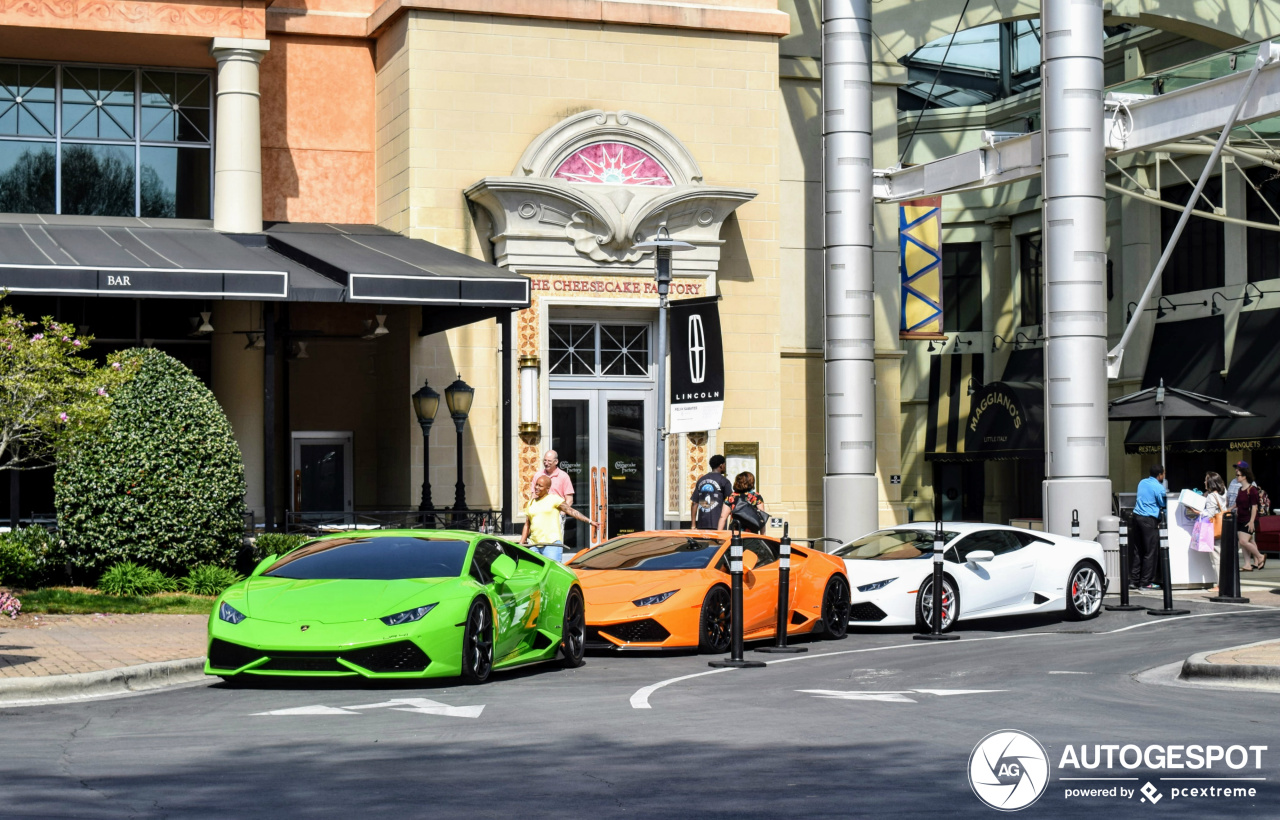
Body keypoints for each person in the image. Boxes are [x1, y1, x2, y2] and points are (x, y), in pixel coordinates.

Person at [520, 475, 597, 563]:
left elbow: (571, 511)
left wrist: (590, 521)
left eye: (540, 486)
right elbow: (527, 524)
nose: (537, 487)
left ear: (547, 488)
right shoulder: (531, 503)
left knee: (553, 573)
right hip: (533, 544)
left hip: (551, 544)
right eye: (536, 485)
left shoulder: (554, 499)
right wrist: (522, 542)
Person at [1131, 465, 1166, 591]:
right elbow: (1163, 502)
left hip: (1136, 517)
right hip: (1148, 519)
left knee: (1138, 550)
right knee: (1150, 551)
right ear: (1160, 475)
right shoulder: (1158, 486)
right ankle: (1146, 582)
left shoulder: (1142, 482)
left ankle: (1134, 580)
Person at [1234, 465, 1267, 571]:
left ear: (1244, 476)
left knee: (1243, 541)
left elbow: (1254, 507)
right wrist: (1229, 508)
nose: (1236, 477)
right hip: (1240, 518)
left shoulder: (1252, 490)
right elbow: (1237, 503)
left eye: (1238, 475)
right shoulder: (1240, 489)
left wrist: (1252, 521)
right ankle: (1248, 564)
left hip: (1249, 519)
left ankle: (1260, 556)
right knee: (1248, 541)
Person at [1197, 472, 1228, 587]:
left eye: (1206, 480)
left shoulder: (1211, 496)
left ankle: (1220, 584)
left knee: (1216, 559)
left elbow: (1209, 515)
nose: (1204, 482)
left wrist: (1198, 512)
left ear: (1210, 482)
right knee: (1222, 557)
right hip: (1224, 527)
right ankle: (1225, 583)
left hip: (1214, 529)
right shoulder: (1224, 492)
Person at [691, 455, 734, 530]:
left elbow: (694, 503)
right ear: (721, 465)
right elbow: (731, 502)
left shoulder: (701, 480)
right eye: (724, 464)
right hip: (718, 525)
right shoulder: (724, 481)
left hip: (702, 524)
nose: (725, 466)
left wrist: (693, 525)